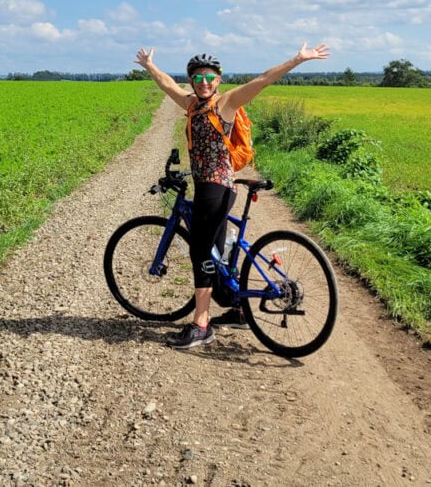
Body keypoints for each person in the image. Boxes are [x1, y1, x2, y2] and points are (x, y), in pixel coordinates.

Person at [134, 43, 331, 349]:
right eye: (197, 77)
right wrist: (149, 66)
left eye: (209, 77)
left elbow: (262, 80)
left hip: (216, 187)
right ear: (191, 81)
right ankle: (238, 308)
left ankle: (201, 324)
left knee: (199, 252)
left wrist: (297, 59)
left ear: (219, 80)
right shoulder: (190, 104)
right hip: (210, 187)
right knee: (218, 253)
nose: (203, 82)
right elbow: (167, 84)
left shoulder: (226, 103)